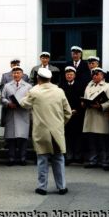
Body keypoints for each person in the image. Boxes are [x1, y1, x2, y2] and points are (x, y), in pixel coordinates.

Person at [20, 68, 72, 196]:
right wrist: (60, 124)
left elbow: (23, 104)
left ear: (38, 78)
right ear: (50, 78)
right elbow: (68, 113)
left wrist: (27, 94)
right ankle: (62, 187)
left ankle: (42, 187)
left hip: (41, 131)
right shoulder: (60, 91)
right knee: (58, 159)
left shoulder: (34, 91)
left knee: (42, 159)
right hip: (56, 131)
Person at [82, 68, 109, 170]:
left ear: (102, 75)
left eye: (97, 74)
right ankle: (93, 160)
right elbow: (86, 97)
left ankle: (105, 161)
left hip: (101, 116)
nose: (94, 76)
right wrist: (84, 103)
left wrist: (100, 106)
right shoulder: (89, 85)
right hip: (90, 115)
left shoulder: (107, 86)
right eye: (93, 74)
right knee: (92, 140)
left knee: (103, 140)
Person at [1, 66, 32, 166]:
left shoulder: (28, 86)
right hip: (11, 113)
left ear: (22, 74)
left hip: (23, 113)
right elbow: (2, 98)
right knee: (11, 138)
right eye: (14, 73)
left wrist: (23, 104)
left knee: (23, 138)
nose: (16, 75)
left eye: (18, 73)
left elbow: (31, 100)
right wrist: (8, 103)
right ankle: (11, 158)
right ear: (12, 74)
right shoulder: (7, 86)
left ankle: (23, 158)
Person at [59, 66, 86, 164]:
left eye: (71, 74)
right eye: (67, 74)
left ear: (74, 75)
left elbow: (83, 100)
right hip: (65, 115)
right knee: (67, 136)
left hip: (78, 114)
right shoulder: (61, 87)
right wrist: (67, 111)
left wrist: (77, 110)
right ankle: (69, 156)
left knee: (78, 136)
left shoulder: (80, 85)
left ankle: (78, 156)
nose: (69, 76)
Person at [0, 58, 29, 128]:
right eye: (13, 64)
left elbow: (27, 90)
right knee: (9, 125)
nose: (15, 65)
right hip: (9, 104)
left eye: (17, 64)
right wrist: (8, 102)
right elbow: (2, 89)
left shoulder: (25, 76)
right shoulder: (5, 75)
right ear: (10, 65)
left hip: (21, 104)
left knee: (21, 124)